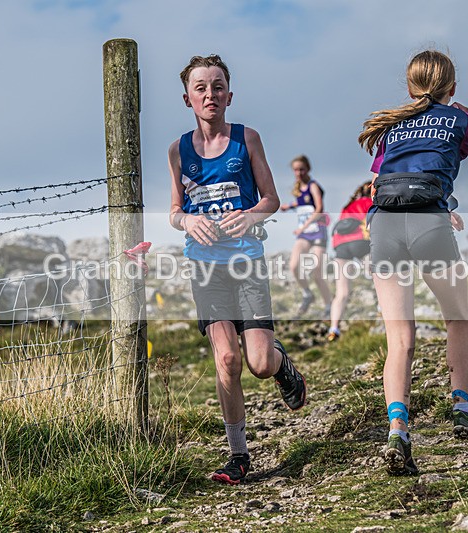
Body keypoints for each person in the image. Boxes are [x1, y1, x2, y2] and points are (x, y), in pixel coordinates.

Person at [358, 50, 468, 476]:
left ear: (409, 88)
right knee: (457, 318)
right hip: (430, 224)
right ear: (453, 87)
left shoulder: (394, 125)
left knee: (400, 339)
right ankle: (461, 408)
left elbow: (377, 183)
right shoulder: (459, 119)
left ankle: (397, 430)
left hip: (385, 228)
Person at [168, 54, 307, 485]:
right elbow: (174, 210)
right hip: (204, 267)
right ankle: (238, 455)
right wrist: (187, 220)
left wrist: (250, 216)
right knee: (227, 358)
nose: (210, 94)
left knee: (259, 363)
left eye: (218, 85)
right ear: (187, 98)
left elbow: (271, 199)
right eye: (201, 87)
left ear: (230, 94)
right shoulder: (178, 150)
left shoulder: (247, 139)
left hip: (247, 262)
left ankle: (284, 366)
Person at [279, 155, 333, 317]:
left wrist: (303, 226)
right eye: (295, 170)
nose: (298, 172)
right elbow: (301, 203)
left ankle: (329, 305)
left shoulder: (313, 186)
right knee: (294, 266)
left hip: (317, 231)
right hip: (304, 234)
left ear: (308, 169)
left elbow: (318, 208)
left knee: (317, 272)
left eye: (301, 169)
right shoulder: (298, 189)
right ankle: (307, 293)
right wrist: (288, 206)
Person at [327, 181, 373, 342]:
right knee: (381, 277)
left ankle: (334, 328)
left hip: (341, 246)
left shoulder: (347, 207)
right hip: (361, 242)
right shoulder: (370, 203)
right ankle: (384, 310)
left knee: (342, 292)